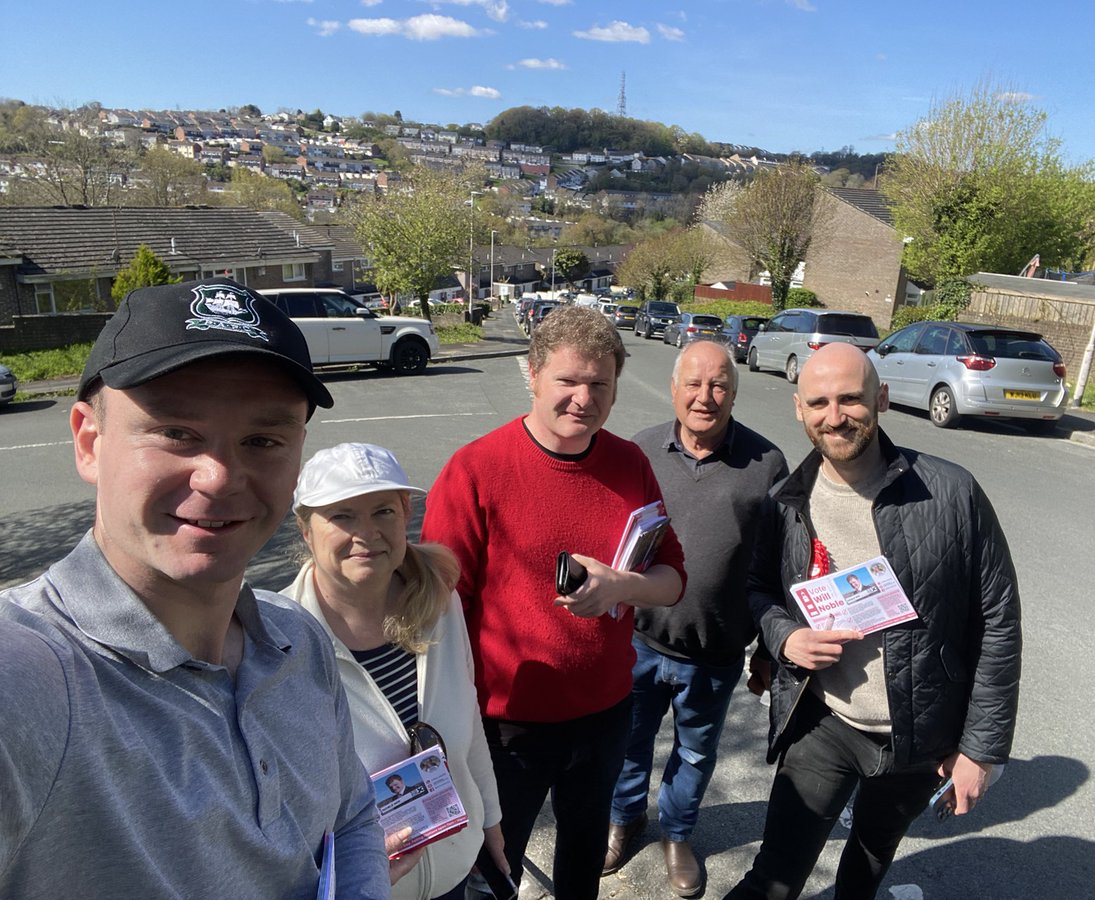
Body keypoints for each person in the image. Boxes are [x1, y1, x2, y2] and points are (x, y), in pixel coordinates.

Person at [0, 278, 393, 897]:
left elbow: (350, 816)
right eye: (177, 433)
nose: (220, 476)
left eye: (262, 440)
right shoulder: (29, 680)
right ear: (89, 442)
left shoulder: (298, 640)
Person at [727, 342, 1022, 900]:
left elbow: (998, 623)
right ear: (799, 409)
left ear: (880, 398)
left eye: (850, 399)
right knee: (775, 877)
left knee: (867, 863)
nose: (834, 416)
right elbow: (758, 590)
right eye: (819, 402)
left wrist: (981, 750)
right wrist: (785, 638)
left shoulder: (952, 492)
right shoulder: (786, 502)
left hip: (919, 738)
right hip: (824, 721)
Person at [420, 305, 687, 899]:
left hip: (607, 711)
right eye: (568, 381)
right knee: (495, 865)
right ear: (534, 375)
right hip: (505, 725)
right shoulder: (475, 470)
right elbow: (436, 608)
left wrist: (623, 587)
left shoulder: (630, 463)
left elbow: (672, 578)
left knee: (584, 853)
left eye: (599, 384)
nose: (583, 399)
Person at [283, 442, 506, 900]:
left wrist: (490, 822)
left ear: (406, 515)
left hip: (452, 870)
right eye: (342, 516)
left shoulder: (440, 603)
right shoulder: (279, 641)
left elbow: (469, 727)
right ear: (306, 530)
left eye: (383, 511)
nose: (366, 533)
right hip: (363, 888)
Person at [606, 340, 788, 897]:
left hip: (714, 651)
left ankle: (678, 834)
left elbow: (781, 565)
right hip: (637, 641)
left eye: (718, 386)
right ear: (674, 387)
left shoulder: (767, 463)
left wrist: (769, 650)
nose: (704, 397)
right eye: (694, 384)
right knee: (628, 743)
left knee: (694, 751)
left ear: (733, 392)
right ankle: (623, 819)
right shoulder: (640, 451)